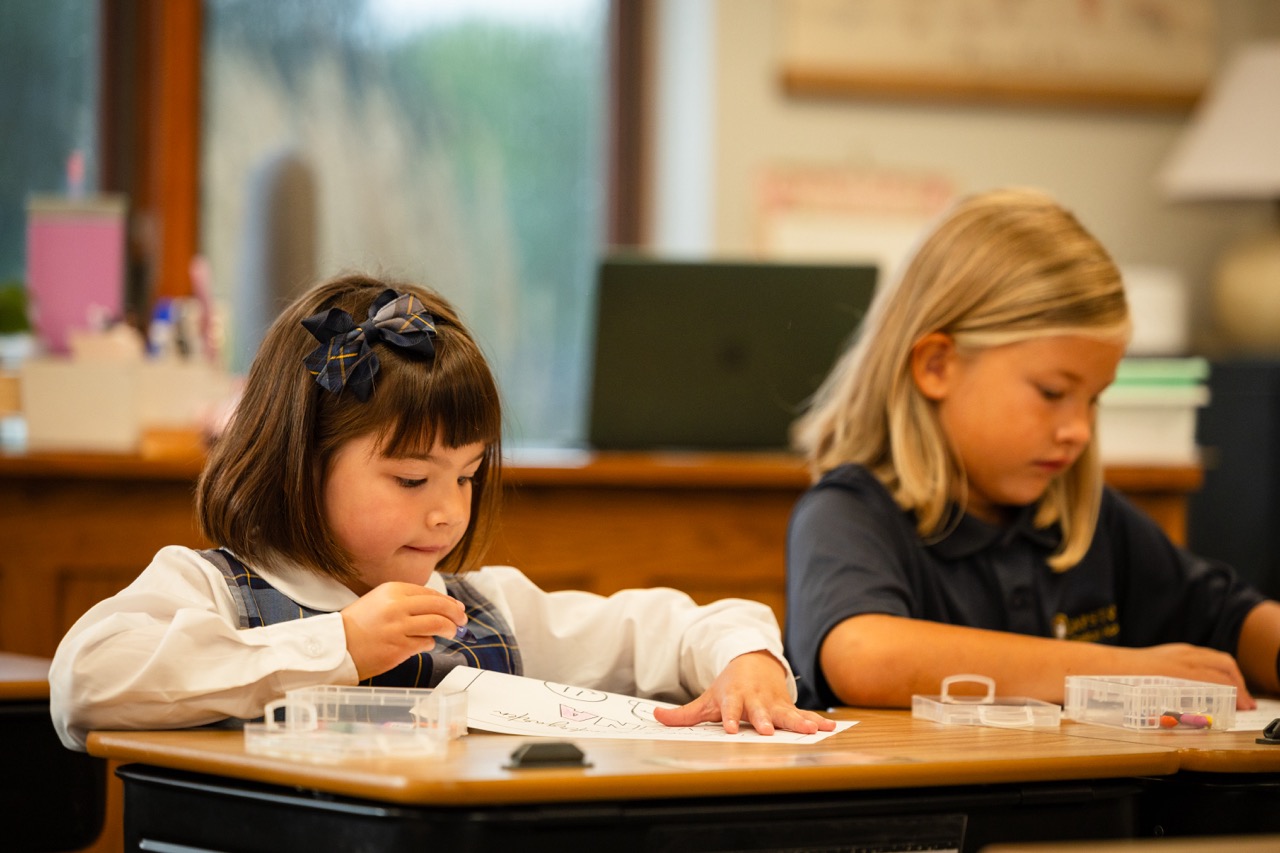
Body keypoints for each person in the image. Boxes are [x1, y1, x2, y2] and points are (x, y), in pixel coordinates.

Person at [51, 272, 833, 749]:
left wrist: (746, 662)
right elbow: (86, 681)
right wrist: (339, 644)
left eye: (466, 477)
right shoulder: (213, 590)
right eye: (410, 480)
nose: (447, 516)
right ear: (301, 461)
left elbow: (672, 625)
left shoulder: (478, 608)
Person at [783, 188, 1280, 711]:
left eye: (1093, 400)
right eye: (1052, 393)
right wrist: (1131, 671)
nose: (1079, 431)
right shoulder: (849, 514)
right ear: (937, 366)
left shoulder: (1083, 517)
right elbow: (865, 657)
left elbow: (1229, 616)